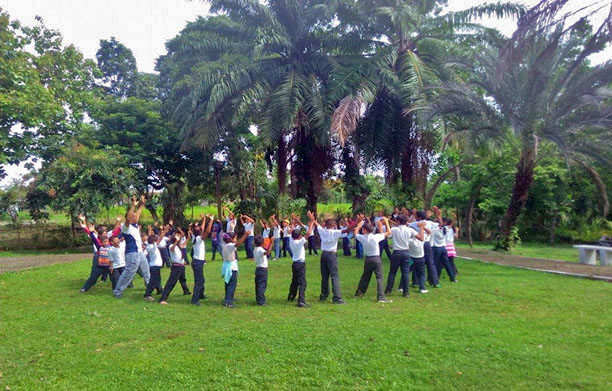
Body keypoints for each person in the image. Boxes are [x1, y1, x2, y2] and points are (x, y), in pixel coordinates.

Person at [113, 196, 151, 299]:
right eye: (134, 216)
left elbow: (137, 213)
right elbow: (129, 217)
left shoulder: (135, 225)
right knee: (128, 273)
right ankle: (117, 292)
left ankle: (149, 289)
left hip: (139, 252)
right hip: (132, 254)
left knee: (146, 270)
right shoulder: (126, 227)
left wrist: (142, 204)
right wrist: (133, 205)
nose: (136, 216)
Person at [354, 217, 392, 303]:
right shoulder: (376, 237)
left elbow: (355, 233)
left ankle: (359, 293)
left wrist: (358, 225)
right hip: (376, 258)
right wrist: (386, 223)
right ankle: (381, 297)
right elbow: (389, 232)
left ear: (364, 230)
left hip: (368, 259)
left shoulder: (362, 238)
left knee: (365, 277)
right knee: (379, 278)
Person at [312, 211, 346, 304]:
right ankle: (337, 298)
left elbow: (316, 224)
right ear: (333, 224)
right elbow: (346, 230)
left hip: (324, 255)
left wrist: (312, 218)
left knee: (325, 276)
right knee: (334, 276)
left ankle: (324, 295)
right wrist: (357, 223)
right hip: (331, 255)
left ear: (325, 225)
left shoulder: (323, 231)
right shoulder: (334, 233)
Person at [384, 214, 418, 297]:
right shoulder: (409, 230)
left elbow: (387, 235)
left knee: (392, 272)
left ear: (398, 221)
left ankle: (388, 290)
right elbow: (420, 237)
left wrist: (387, 223)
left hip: (396, 252)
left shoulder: (394, 229)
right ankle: (406, 292)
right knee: (405, 272)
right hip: (406, 252)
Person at [78, 216, 112, 292]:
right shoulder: (99, 246)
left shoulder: (111, 245)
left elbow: (117, 232)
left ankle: (117, 289)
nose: (106, 243)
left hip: (109, 266)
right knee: (93, 277)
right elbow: (93, 237)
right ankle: (84, 288)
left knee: (115, 277)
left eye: (107, 242)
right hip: (100, 265)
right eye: (104, 242)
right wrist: (88, 229)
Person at [288, 221, 315, 308]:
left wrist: (292, 223)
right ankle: (301, 301)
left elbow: (291, 232)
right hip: (300, 264)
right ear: (300, 236)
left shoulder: (291, 241)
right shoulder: (299, 243)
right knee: (302, 283)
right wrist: (311, 223)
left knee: (295, 281)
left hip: (294, 264)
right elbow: (308, 234)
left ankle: (291, 296)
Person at [221, 230, 250, 308]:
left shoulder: (224, 244)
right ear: (231, 239)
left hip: (226, 266)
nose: (236, 240)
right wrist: (245, 235)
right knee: (232, 284)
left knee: (228, 284)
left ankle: (228, 298)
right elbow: (237, 244)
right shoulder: (230, 245)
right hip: (231, 267)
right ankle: (228, 302)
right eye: (235, 238)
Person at [159, 230, 188, 305]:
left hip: (181, 267)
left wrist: (188, 238)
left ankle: (186, 291)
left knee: (183, 279)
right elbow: (172, 249)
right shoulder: (171, 246)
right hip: (176, 267)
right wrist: (176, 241)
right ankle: (163, 298)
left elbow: (182, 245)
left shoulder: (178, 246)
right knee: (171, 283)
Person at [411, 210, 439, 288]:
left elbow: (406, 224)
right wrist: (437, 215)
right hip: (427, 244)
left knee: (416, 261)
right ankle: (435, 281)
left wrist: (412, 215)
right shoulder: (429, 223)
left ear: (418, 217)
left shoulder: (415, 224)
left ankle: (415, 281)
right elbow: (440, 224)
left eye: (416, 215)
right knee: (430, 263)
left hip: (418, 243)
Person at [190, 214, 213, 306]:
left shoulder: (194, 237)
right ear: (199, 232)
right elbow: (207, 231)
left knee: (200, 280)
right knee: (199, 281)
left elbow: (202, 229)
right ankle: (195, 300)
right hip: (198, 262)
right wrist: (210, 220)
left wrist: (204, 219)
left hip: (197, 262)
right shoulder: (199, 239)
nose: (200, 228)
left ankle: (201, 295)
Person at [431, 207, 457, 283]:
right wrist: (438, 215)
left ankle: (436, 277)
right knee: (447, 263)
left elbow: (441, 223)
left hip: (437, 248)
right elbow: (448, 225)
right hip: (443, 248)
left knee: (436, 264)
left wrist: (437, 214)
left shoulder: (435, 229)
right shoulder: (445, 229)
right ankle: (452, 278)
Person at [144, 225, 165, 300]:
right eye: (155, 240)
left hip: (155, 266)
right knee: (153, 281)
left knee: (158, 279)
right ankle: (147, 294)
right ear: (154, 242)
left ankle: (159, 290)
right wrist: (164, 231)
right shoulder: (152, 247)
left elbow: (149, 237)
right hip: (155, 266)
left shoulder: (149, 245)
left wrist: (149, 230)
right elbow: (160, 239)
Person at [408, 219, 428, 293]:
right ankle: (422, 288)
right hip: (420, 259)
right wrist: (422, 227)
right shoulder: (422, 239)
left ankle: (402, 286)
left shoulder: (410, 241)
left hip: (411, 258)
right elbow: (429, 232)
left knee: (406, 272)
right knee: (422, 274)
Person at [253, 234, 272, 306]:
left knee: (258, 284)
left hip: (258, 268)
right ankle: (261, 301)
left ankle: (258, 298)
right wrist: (271, 243)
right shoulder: (261, 250)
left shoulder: (255, 249)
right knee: (262, 285)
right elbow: (267, 253)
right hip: (263, 269)